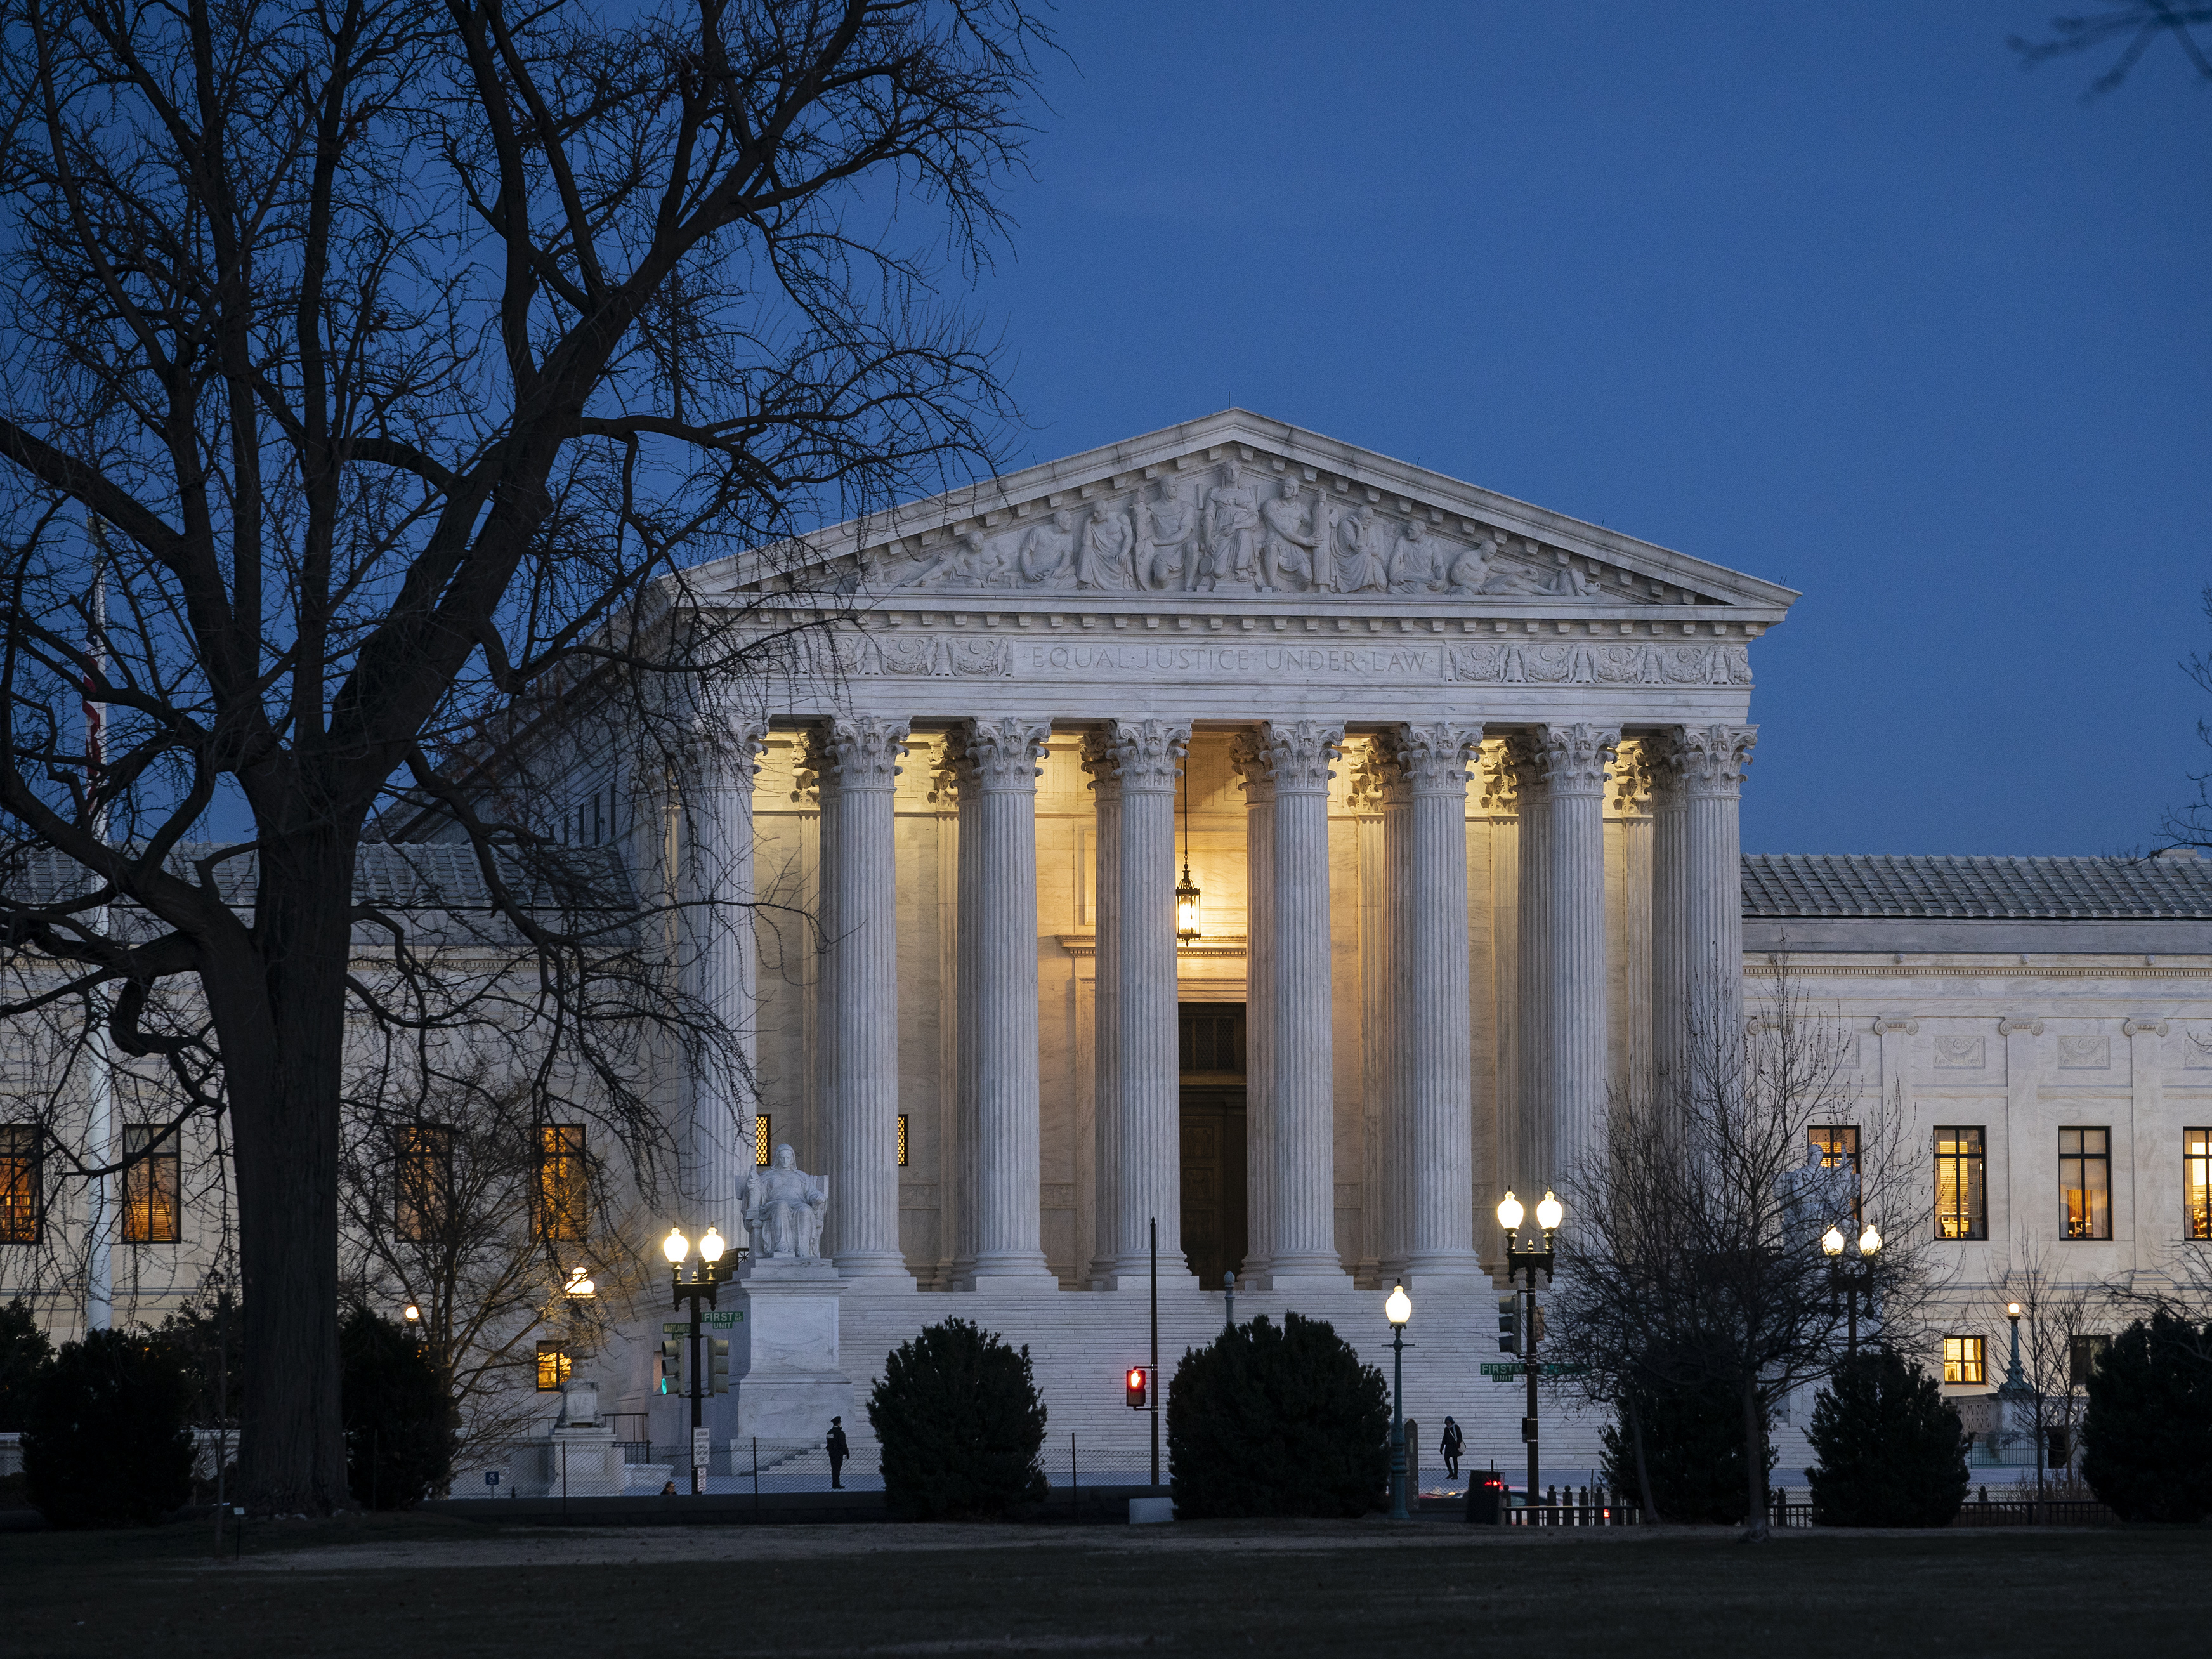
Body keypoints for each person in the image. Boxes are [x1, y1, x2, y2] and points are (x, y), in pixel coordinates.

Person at [827, 1415, 849, 1490]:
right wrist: (847, 1452)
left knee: (834, 1469)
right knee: (837, 1469)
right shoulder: (840, 1433)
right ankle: (836, 1484)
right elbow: (843, 1444)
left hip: (832, 1453)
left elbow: (829, 1444)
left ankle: (835, 1483)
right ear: (839, 1423)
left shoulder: (830, 1432)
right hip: (838, 1453)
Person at [1439, 1415, 1464, 1481]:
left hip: (1455, 1447)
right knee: (1446, 1458)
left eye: (1449, 1423)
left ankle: (1455, 1475)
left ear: (1451, 1422)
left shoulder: (1456, 1427)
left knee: (1455, 1460)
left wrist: (1458, 1443)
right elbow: (1444, 1438)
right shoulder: (1446, 1429)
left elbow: (1460, 1436)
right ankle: (1451, 1473)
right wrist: (1442, 1447)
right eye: (1447, 1423)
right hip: (1448, 1447)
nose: (1448, 1424)